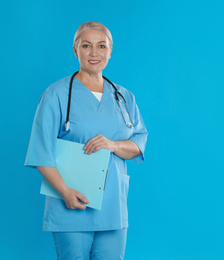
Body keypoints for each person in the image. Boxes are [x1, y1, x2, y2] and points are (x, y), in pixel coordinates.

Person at [24, 21, 148, 260]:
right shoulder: (56, 95)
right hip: (72, 203)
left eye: (101, 46)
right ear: (75, 50)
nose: (94, 53)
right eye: (86, 45)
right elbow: (41, 151)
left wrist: (112, 145)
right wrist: (65, 192)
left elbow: (138, 144)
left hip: (113, 207)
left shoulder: (124, 97)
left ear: (110, 51)